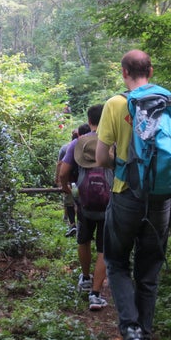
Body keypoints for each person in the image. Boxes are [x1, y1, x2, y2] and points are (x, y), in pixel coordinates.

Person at [95, 50, 171, 340]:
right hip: (161, 200)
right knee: (148, 270)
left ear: (124, 72)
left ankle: (131, 331)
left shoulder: (115, 104)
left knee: (117, 262)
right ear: (150, 70)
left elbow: (100, 158)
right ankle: (145, 339)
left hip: (125, 196)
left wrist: (123, 166)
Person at [59, 104, 110, 311]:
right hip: (109, 204)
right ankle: (96, 294)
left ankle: (86, 278)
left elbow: (63, 173)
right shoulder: (112, 142)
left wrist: (67, 191)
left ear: (89, 121)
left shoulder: (77, 143)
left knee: (84, 240)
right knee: (104, 248)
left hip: (85, 204)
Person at [57, 123, 90, 237]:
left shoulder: (67, 147)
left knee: (70, 202)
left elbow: (61, 166)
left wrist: (62, 183)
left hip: (71, 181)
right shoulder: (96, 144)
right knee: (81, 204)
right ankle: (84, 226)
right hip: (88, 182)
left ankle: (73, 225)